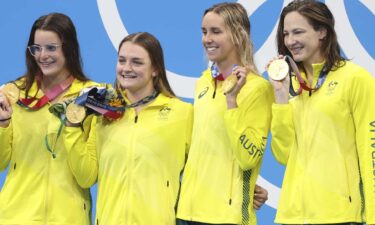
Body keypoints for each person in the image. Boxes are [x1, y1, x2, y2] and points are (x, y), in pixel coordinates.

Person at [62, 32, 193, 225]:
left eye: (137, 62)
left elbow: (203, 170)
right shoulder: (102, 114)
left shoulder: (182, 113)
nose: (126, 68)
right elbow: (86, 176)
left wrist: (250, 189)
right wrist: (72, 127)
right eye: (122, 60)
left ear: (155, 68)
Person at [268, 0, 375, 224]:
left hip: (338, 216)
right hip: (293, 216)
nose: (290, 41)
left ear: (322, 32)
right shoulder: (293, 86)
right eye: (286, 33)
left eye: (298, 32)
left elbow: (371, 151)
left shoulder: (355, 78)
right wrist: (280, 97)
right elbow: (282, 155)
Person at [177, 2, 273, 225]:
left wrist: (231, 102)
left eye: (216, 31)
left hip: (227, 217)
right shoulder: (203, 82)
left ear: (239, 35)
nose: (207, 39)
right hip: (188, 212)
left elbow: (248, 157)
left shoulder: (257, 89)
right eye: (204, 32)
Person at [0, 13, 97, 224]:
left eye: (51, 48)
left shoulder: (90, 98)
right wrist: (3, 124)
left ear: (69, 47)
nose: (42, 55)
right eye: (36, 48)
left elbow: (88, 176)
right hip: (16, 216)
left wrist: (73, 126)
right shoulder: (14, 94)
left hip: (68, 218)